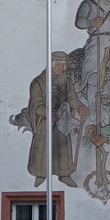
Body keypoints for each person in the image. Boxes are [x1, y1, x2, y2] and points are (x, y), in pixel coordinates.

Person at [27, 52, 88, 188]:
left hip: (62, 118)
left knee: (63, 146)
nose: (61, 68)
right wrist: (49, 113)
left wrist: (80, 107)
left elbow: (72, 98)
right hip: (44, 120)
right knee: (43, 146)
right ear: (51, 65)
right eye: (58, 65)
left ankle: (64, 174)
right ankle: (40, 174)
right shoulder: (39, 82)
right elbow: (36, 103)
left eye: (63, 66)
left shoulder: (66, 81)